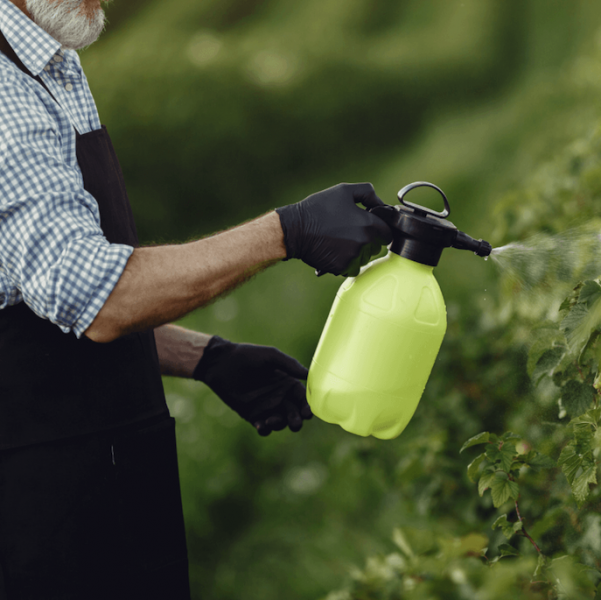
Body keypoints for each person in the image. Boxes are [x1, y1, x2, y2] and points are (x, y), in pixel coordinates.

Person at [0, 0, 393, 597]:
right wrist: (285, 232)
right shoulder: (5, 95)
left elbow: (42, 301)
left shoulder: (53, 65)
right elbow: (101, 296)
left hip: (105, 478)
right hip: (38, 507)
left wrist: (206, 357)